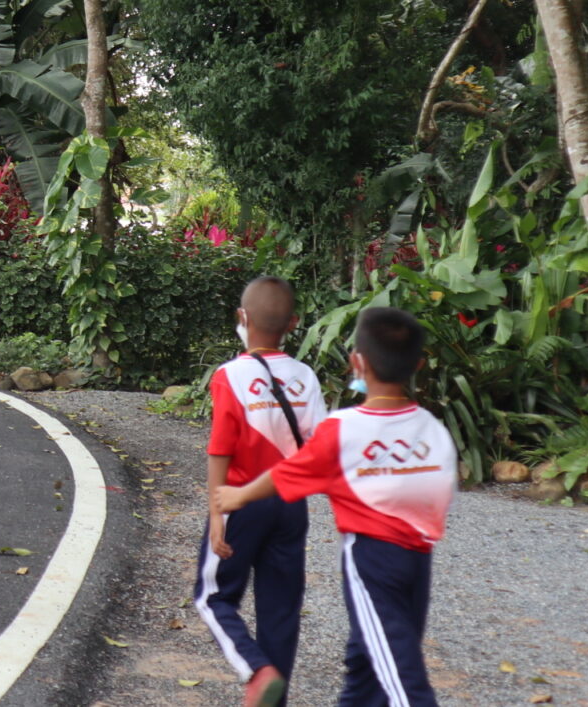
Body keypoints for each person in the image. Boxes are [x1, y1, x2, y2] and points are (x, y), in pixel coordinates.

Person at [215, 307, 457, 707]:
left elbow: (285, 474)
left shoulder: (343, 430)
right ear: (417, 364)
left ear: (356, 362)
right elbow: (441, 492)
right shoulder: (433, 429)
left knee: (401, 674)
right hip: (419, 559)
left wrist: (238, 496)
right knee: (366, 660)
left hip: (372, 562)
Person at [194, 276, 326, 707]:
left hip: (240, 502)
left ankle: (256, 669)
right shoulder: (305, 376)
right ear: (293, 323)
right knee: (281, 612)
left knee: (213, 597)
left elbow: (220, 449)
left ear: (242, 318)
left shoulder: (229, 375)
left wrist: (217, 514)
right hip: (291, 505)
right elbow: (317, 447)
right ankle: (275, 695)